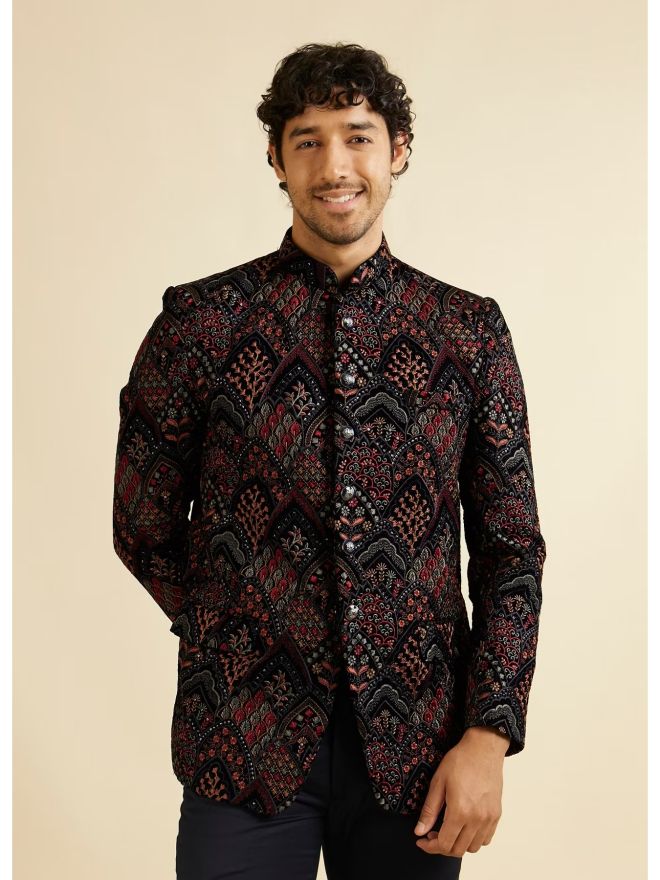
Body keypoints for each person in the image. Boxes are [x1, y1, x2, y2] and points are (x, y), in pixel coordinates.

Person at [112, 41, 547, 880]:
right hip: (241, 737)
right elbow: (142, 523)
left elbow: (511, 550)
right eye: (307, 141)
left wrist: (489, 734)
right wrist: (233, 624)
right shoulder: (200, 324)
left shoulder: (467, 333)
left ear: (398, 151)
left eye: (357, 136)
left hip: (418, 747)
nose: (334, 166)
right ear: (277, 160)